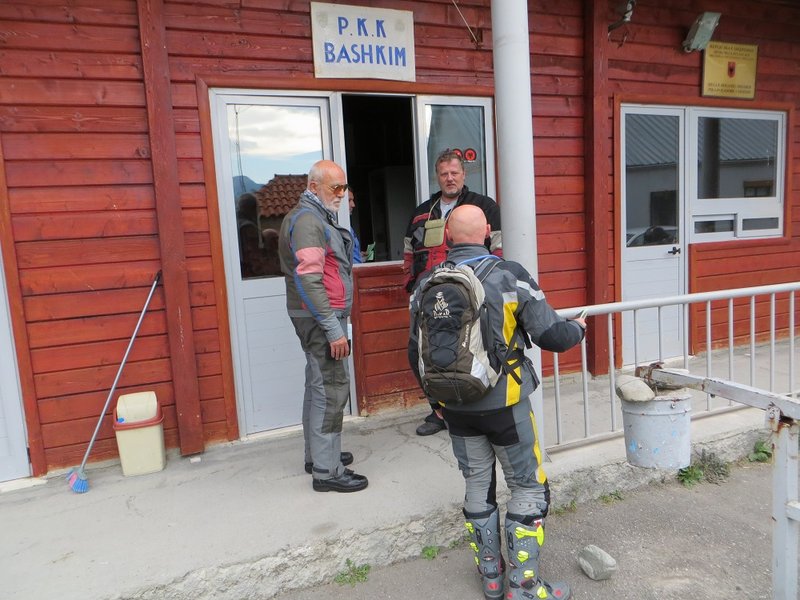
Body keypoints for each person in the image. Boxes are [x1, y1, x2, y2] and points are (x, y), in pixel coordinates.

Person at [408, 205, 586, 600]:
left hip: (455, 407)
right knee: (528, 487)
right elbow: (551, 335)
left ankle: (491, 578)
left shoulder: (426, 284)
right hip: (506, 407)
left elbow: (413, 351)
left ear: (448, 237)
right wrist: (578, 329)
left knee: (476, 484)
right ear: (488, 231)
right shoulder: (510, 275)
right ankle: (523, 586)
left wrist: (437, 401)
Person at [278, 159, 368, 493]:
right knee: (330, 389)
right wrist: (332, 328)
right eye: (336, 187)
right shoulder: (308, 221)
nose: (342, 194)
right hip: (320, 318)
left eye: (344, 187)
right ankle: (327, 471)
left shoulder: (311, 216)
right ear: (314, 187)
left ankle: (318, 455)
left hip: (315, 316)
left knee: (317, 385)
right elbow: (309, 279)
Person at [403, 149, 502, 436]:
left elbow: (498, 249)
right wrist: (411, 284)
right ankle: (438, 410)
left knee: (470, 349)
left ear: (463, 174)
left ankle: (474, 407)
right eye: (444, 173)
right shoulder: (423, 211)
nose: (449, 178)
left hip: (471, 293)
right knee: (419, 351)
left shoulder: (483, 207)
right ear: (437, 176)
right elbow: (408, 251)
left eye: (454, 173)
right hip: (428, 294)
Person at [348, 188, 363, 264]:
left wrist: (359, 255)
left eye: (352, 200)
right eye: (349, 200)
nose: (353, 205)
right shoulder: (338, 227)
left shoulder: (348, 226)